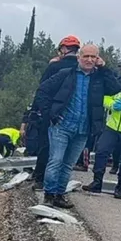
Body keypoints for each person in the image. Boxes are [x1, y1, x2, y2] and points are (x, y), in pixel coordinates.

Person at [32, 44, 121, 208]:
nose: (89, 60)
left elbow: (115, 88)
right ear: (79, 57)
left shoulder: (99, 78)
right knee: (56, 160)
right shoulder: (66, 74)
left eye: (93, 57)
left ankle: (60, 195)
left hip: (83, 129)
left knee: (68, 164)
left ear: (97, 59)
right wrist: (49, 114)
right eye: (86, 56)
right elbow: (43, 90)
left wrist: (104, 68)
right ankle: (49, 195)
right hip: (61, 125)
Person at [31, 35, 82, 190]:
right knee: (65, 154)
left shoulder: (54, 67)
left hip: (51, 113)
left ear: (64, 49)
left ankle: (40, 180)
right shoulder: (81, 69)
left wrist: (37, 112)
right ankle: (58, 185)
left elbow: (42, 90)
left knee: (46, 147)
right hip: (71, 115)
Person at [82, 62, 121, 198]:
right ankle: (97, 182)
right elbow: (104, 97)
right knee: (101, 151)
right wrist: (112, 104)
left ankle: (120, 187)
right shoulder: (117, 83)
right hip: (112, 126)